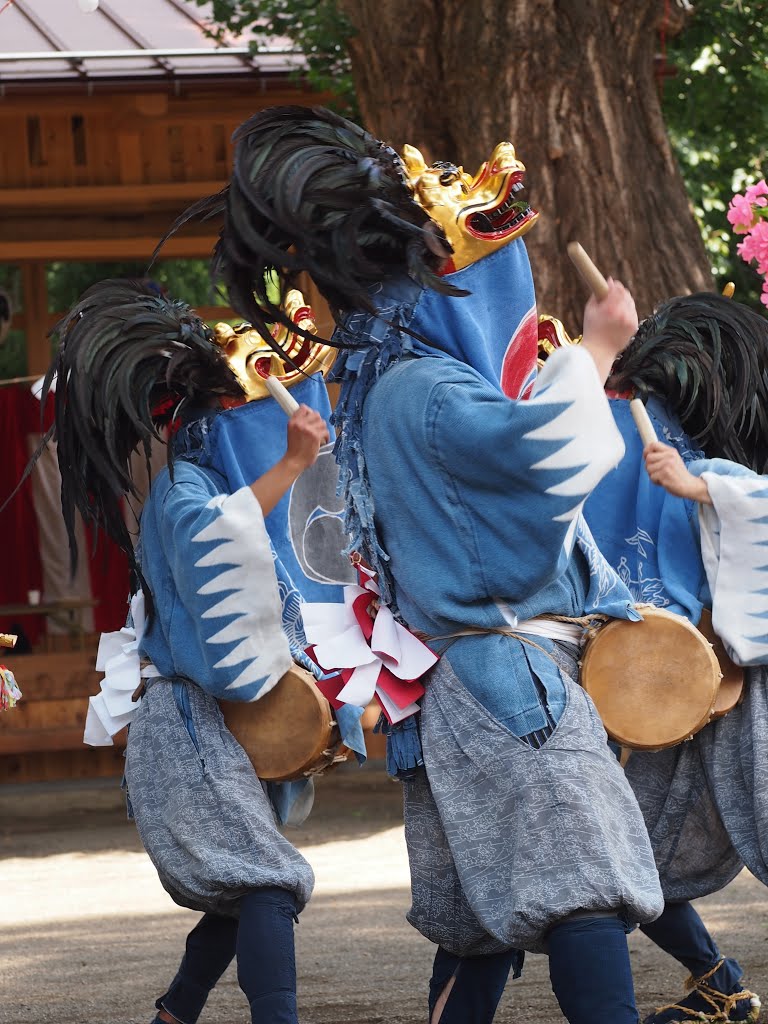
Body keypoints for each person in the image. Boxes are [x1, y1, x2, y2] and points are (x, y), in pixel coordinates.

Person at [176, 104, 667, 1024]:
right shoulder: (427, 388)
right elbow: (541, 458)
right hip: (506, 671)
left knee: (480, 919)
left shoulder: (383, 391)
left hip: (456, 683)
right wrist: (599, 347)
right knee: (582, 884)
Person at [30, 279, 361, 1024]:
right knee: (267, 885)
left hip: (204, 724)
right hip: (183, 726)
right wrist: (292, 460)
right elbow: (221, 538)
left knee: (245, 890)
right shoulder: (185, 491)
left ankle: (174, 1015)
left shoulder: (198, 482)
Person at [581, 291, 768, 1024]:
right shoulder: (602, 424)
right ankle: (718, 977)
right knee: (627, 854)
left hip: (733, 671)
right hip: (645, 673)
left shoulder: (707, 452)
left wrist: (701, 486)